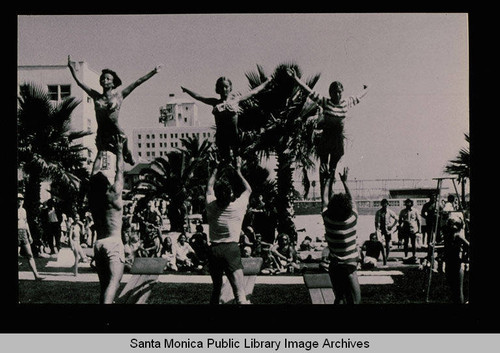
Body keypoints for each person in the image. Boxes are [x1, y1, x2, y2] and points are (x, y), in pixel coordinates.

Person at [287, 68, 368, 207]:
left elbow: (358, 97)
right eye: (334, 92)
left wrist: (367, 88)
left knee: (332, 169)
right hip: (326, 137)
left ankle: (329, 195)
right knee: (324, 168)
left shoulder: (345, 103)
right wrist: (296, 79)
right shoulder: (325, 101)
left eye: (339, 92)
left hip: (337, 139)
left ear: (342, 92)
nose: (337, 94)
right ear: (330, 93)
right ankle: (324, 199)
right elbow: (309, 92)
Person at [68, 55, 162, 165]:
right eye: (103, 78)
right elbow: (80, 83)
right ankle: (123, 160)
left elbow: (138, 82)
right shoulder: (96, 96)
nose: (105, 80)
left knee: (123, 152)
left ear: (113, 83)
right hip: (102, 131)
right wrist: (71, 68)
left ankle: (129, 156)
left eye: (108, 79)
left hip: (116, 130)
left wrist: (154, 72)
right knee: (104, 152)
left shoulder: (119, 96)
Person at [181, 77, 272, 163]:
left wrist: (267, 81)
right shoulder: (215, 102)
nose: (224, 89)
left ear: (230, 88)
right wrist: (186, 90)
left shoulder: (236, 100)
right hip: (221, 138)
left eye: (226, 87)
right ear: (218, 89)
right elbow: (199, 97)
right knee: (225, 162)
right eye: (221, 87)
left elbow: (254, 92)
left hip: (234, 137)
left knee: (237, 161)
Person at [205, 157, 252, 304]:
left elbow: (209, 187)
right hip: (230, 249)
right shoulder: (237, 207)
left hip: (214, 250)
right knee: (239, 292)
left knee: (216, 288)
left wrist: (215, 169)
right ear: (231, 194)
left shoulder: (211, 206)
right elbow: (248, 190)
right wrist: (238, 170)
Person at [88, 135, 126, 304]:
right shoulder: (114, 194)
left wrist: (99, 150)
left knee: (104, 287)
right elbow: (120, 171)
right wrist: (119, 150)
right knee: (113, 283)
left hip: (98, 244)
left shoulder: (93, 198)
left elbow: (93, 174)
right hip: (113, 243)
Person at [322, 167, 361, 304]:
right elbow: (352, 201)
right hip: (350, 264)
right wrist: (345, 182)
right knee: (356, 301)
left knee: (339, 298)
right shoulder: (352, 220)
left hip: (335, 264)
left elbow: (324, 200)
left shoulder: (328, 220)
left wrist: (328, 179)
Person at [442, 212, 469, 304]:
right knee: (452, 288)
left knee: (458, 289)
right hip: (449, 263)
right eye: (451, 224)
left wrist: (465, 256)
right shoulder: (447, 236)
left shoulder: (458, 236)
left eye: (455, 224)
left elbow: (468, 246)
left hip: (457, 264)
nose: (453, 227)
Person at [18, 193, 44, 281]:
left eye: (21, 199)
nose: (20, 201)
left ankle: (36, 275)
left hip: (24, 233)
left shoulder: (24, 210)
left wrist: (29, 235)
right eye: (18, 199)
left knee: (30, 254)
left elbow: (26, 223)